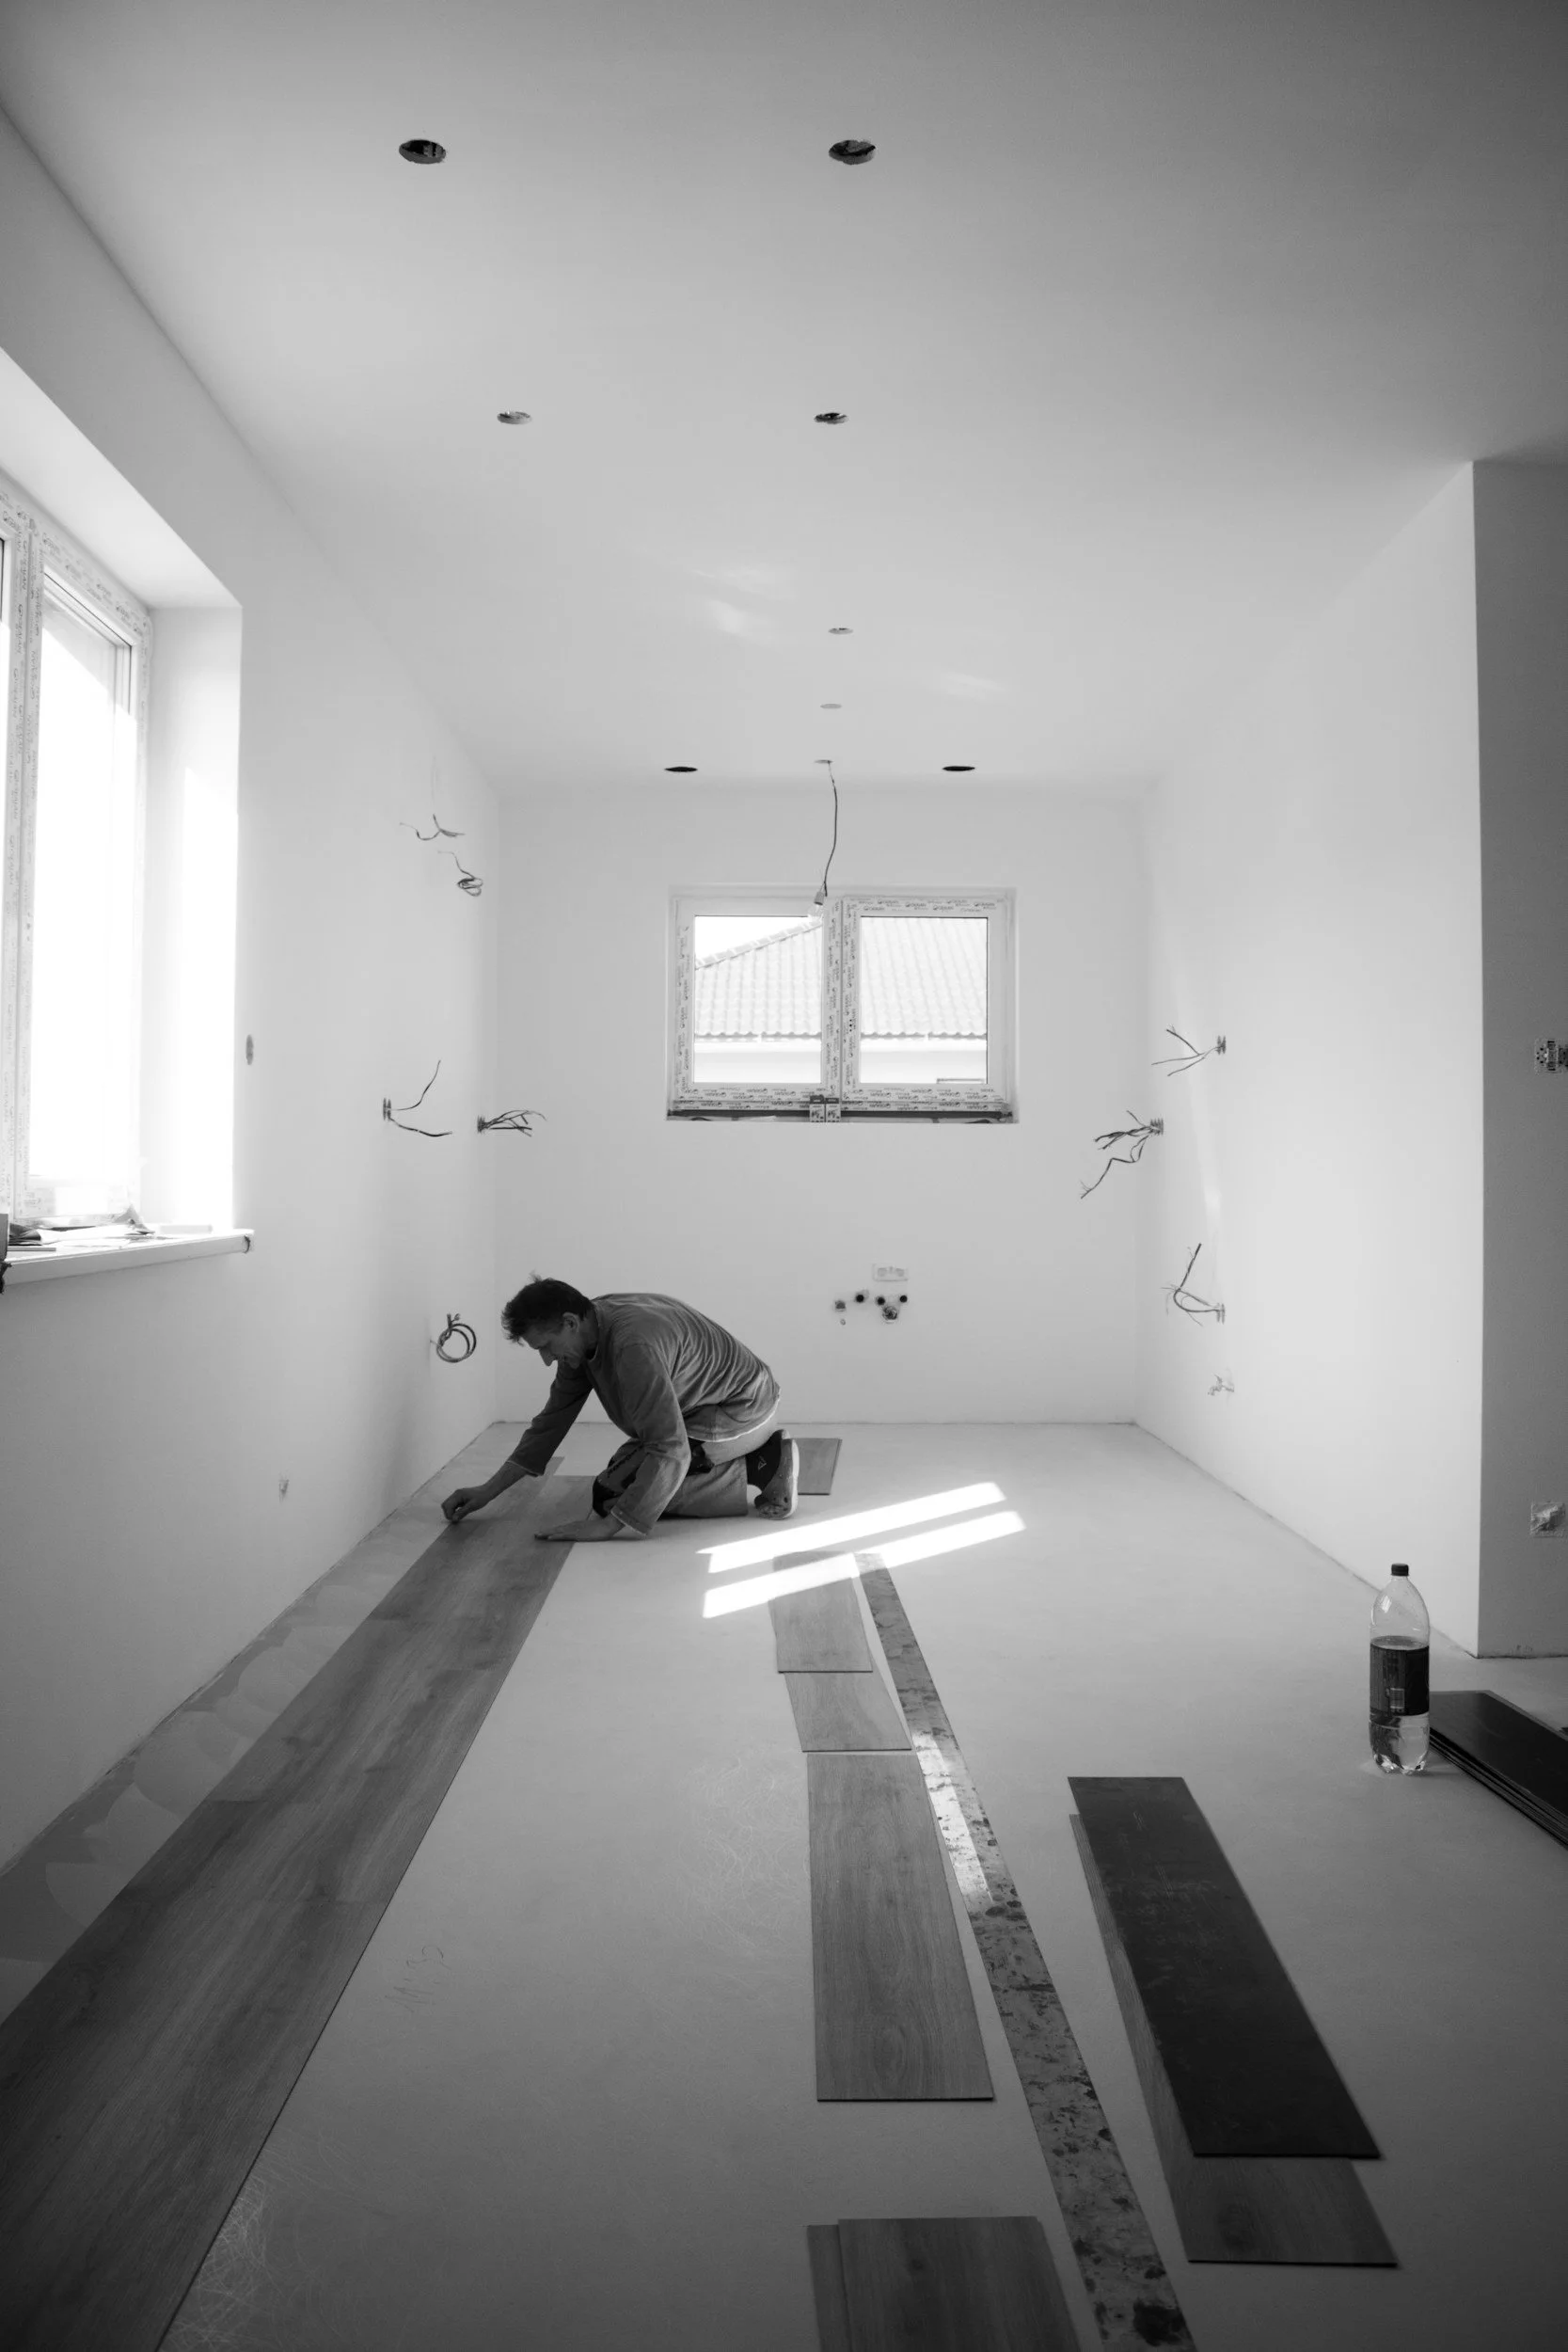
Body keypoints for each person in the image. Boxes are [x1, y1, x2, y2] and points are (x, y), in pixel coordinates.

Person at [441, 1279, 798, 1542]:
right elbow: (550, 1423)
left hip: (742, 1413)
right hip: (713, 1409)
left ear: (569, 1322)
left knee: (614, 1496)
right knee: (619, 1478)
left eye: (547, 1346)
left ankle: (762, 1466)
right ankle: (746, 1460)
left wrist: (611, 1525)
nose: (547, 1358)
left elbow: (668, 1445)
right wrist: (487, 1491)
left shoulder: (632, 1347)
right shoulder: (589, 1326)